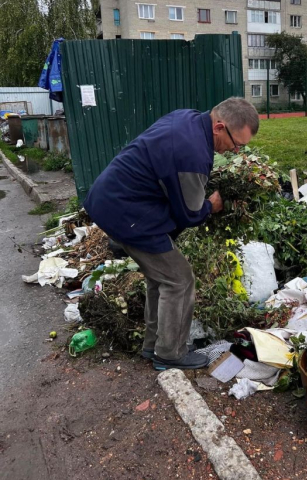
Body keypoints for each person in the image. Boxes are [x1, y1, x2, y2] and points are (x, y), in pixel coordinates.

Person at [84, 97, 259, 370]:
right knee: (179, 280)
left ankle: (154, 346)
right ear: (219, 127)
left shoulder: (188, 118)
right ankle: (171, 354)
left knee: (161, 278)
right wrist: (211, 205)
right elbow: (189, 213)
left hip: (116, 199)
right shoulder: (192, 153)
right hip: (128, 213)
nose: (235, 151)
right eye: (237, 144)